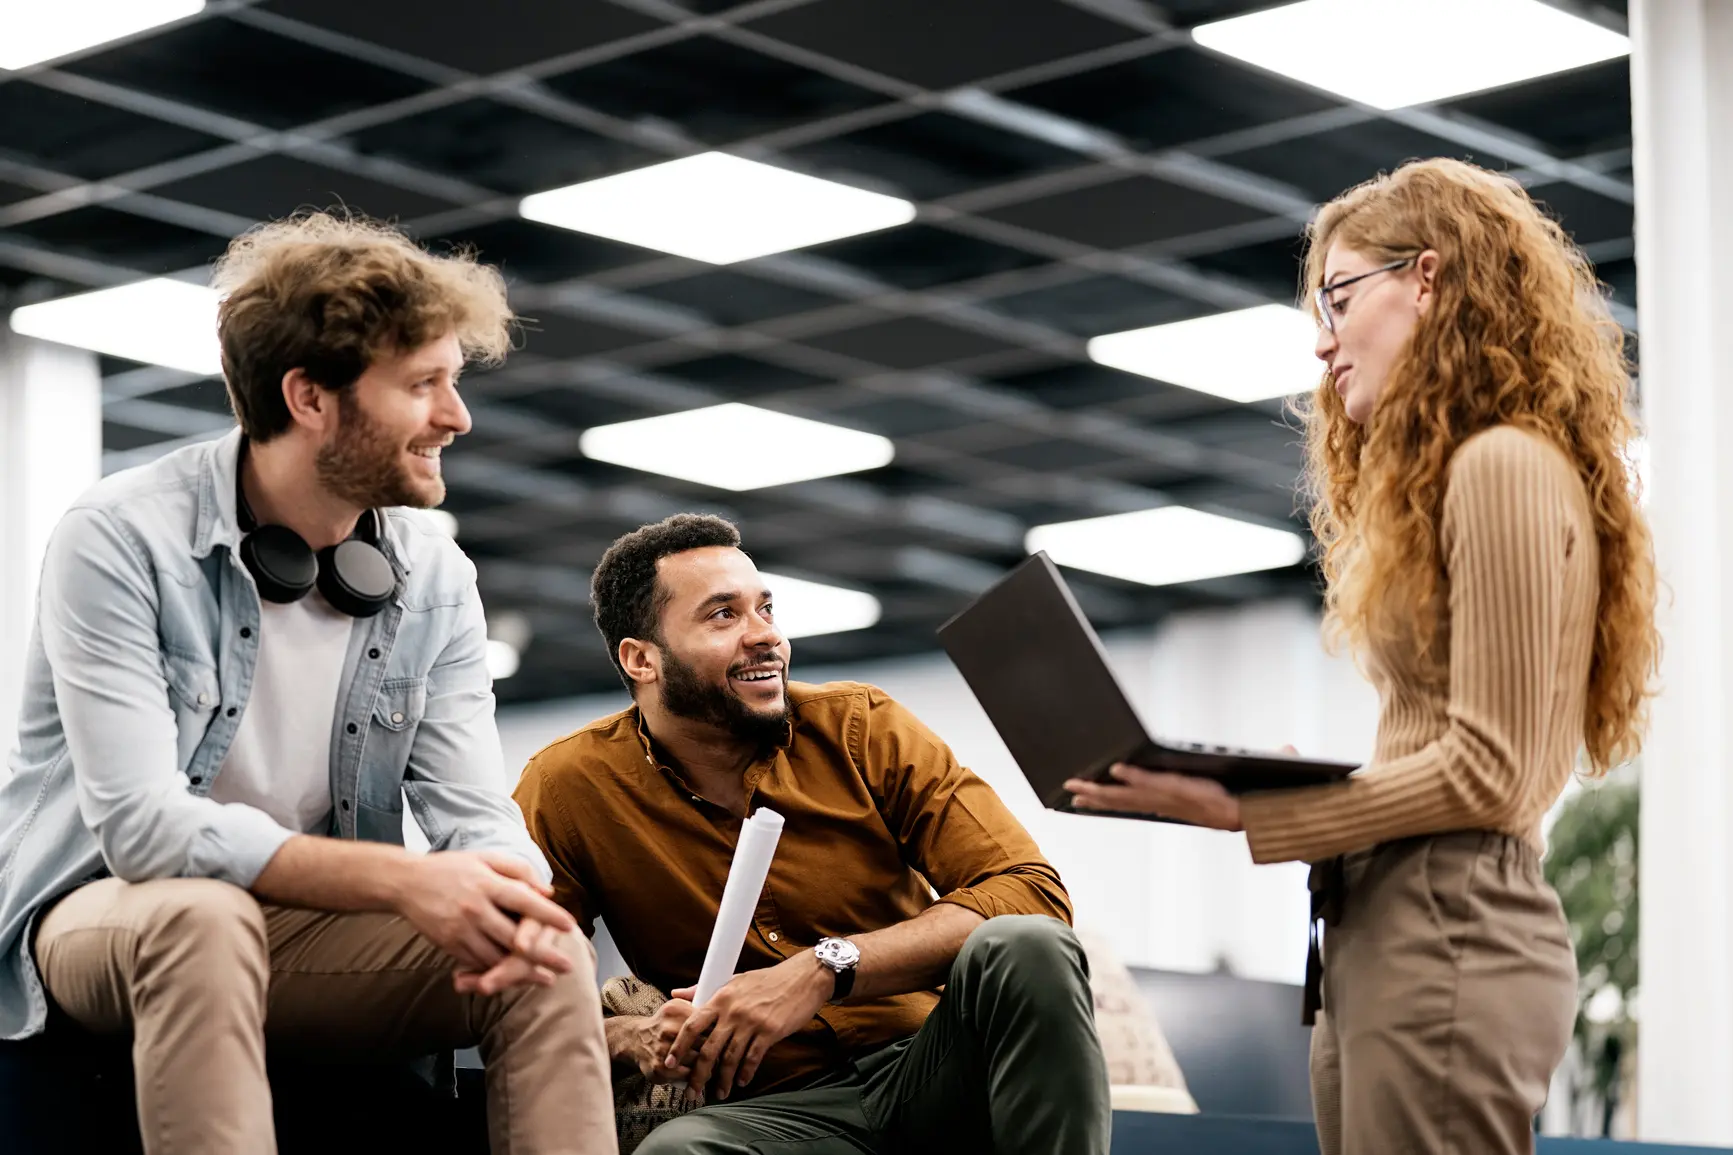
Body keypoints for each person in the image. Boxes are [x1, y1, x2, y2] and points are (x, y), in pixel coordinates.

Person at [1064, 157, 1658, 1154]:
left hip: (1447, 927)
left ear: (1426, 279)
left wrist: (1262, 808)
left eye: (1338, 295)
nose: (1321, 335)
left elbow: (1494, 771)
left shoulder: (1501, 463)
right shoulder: (1470, 473)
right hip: (1387, 923)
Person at [0, 214, 615, 1154]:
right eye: (423, 385)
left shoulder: (434, 573)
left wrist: (516, 895)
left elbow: (474, 813)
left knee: (544, 951)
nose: (458, 416)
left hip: (304, 930)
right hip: (101, 914)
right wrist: (407, 880)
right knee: (201, 918)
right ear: (310, 397)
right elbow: (143, 830)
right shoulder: (121, 535)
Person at [513, 514, 1111, 1155]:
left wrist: (825, 969)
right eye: (723, 616)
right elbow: (523, 994)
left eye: (765, 608)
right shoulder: (568, 786)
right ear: (642, 659)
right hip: (777, 1113)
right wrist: (631, 1038)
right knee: (676, 1153)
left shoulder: (863, 727)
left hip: (934, 1069)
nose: (765, 635)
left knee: (1027, 944)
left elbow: (1031, 894)